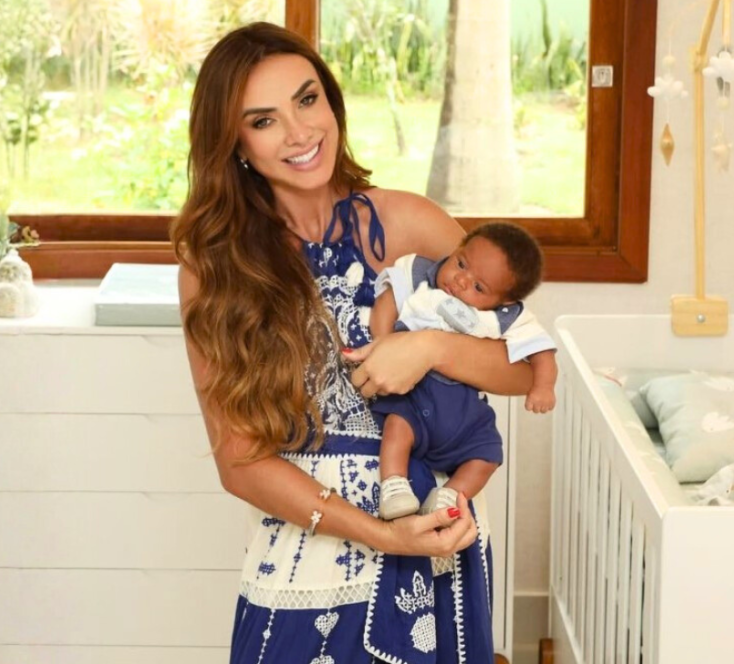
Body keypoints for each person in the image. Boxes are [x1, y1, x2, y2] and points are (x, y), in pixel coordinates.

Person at [171, 21, 533, 664]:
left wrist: (429, 348)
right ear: (235, 144)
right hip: (305, 557)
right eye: (264, 120)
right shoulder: (214, 267)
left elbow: (525, 369)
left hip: (433, 537)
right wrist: (381, 535)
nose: (299, 132)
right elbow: (239, 461)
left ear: (331, 102)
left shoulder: (409, 222)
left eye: (307, 100)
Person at [369, 222, 558, 520]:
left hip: (464, 414)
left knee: (488, 453)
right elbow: (387, 302)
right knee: (396, 428)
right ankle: (394, 486)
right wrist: (382, 344)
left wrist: (543, 387)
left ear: (504, 301)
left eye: (478, 287)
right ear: (457, 248)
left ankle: (449, 496)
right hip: (414, 398)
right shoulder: (419, 275)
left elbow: (541, 352)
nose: (460, 280)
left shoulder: (506, 317)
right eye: (460, 263)